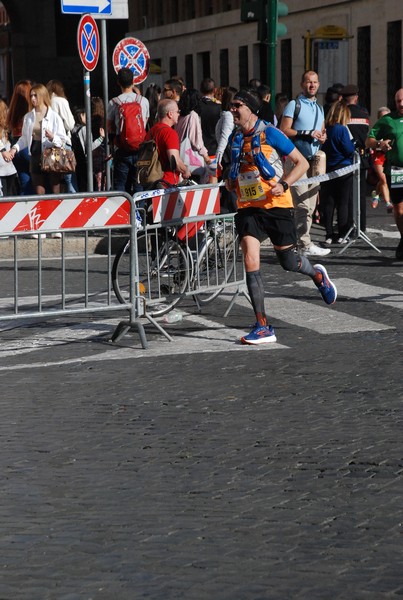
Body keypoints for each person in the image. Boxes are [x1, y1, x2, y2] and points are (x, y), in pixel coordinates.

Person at [225, 88, 337, 345]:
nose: (232, 110)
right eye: (231, 105)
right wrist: (230, 183)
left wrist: (284, 184)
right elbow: (230, 172)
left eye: (236, 105)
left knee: (288, 261)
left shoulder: (271, 134)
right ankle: (263, 326)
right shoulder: (235, 138)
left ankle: (317, 275)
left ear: (250, 109)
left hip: (276, 205)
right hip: (248, 207)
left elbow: (302, 163)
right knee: (250, 259)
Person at [280, 70, 330, 257]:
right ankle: (303, 244)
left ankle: (301, 242)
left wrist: (323, 136)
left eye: (315, 82)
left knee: (310, 206)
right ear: (302, 84)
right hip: (296, 161)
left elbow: (321, 130)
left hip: (314, 159)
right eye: (309, 82)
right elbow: (283, 129)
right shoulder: (294, 104)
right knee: (301, 205)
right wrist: (307, 132)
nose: (312, 85)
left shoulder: (319, 107)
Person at [5, 83, 66, 196]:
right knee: (39, 190)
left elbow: (63, 139)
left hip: (51, 154)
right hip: (34, 152)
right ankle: (43, 212)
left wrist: (53, 137)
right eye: (31, 95)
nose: (33, 98)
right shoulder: (28, 116)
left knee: (54, 188)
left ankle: (57, 210)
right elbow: (24, 138)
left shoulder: (54, 116)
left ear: (43, 96)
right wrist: (14, 149)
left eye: (35, 95)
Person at [366, 88, 403, 260]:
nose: (401, 104)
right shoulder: (388, 120)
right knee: (399, 208)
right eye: (398, 101)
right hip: (397, 169)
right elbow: (369, 140)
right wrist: (380, 143)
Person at [106, 67, 149, 195]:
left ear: (118, 82)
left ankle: (122, 213)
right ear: (133, 81)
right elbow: (145, 122)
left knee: (120, 186)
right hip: (141, 150)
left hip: (122, 149)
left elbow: (109, 127)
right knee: (139, 187)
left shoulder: (114, 102)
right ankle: (139, 213)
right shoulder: (143, 101)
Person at [321, 100, 356, 244]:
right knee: (343, 203)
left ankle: (329, 234)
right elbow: (349, 150)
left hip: (328, 168)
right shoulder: (342, 129)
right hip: (343, 168)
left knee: (329, 203)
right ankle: (342, 233)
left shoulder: (326, 128)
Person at [340, 84, 370, 233]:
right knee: (361, 195)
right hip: (362, 157)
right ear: (356, 97)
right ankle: (361, 227)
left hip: (345, 159)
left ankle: (347, 228)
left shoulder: (342, 114)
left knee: (347, 196)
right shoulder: (364, 113)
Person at [145, 99, 191, 186]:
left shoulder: (151, 131)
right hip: (166, 183)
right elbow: (175, 161)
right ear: (170, 114)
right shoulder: (170, 133)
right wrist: (185, 170)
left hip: (151, 181)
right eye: (177, 111)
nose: (179, 114)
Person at [174, 88, 211, 182]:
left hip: (179, 155)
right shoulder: (193, 115)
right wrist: (205, 155)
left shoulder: (179, 115)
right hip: (191, 161)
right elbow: (196, 140)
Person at [46, 79, 76, 193]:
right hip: (63, 143)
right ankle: (74, 204)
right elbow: (70, 124)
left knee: (54, 179)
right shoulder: (60, 101)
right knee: (69, 178)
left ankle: (54, 205)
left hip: (49, 144)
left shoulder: (46, 102)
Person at [6, 79, 33, 195]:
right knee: (37, 182)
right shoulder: (30, 112)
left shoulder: (12, 110)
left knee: (24, 183)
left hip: (15, 147)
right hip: (28, 145)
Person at [368, 106, 392, 211]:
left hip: (389, 156)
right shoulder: (376, 129)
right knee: (383, 179)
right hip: (378, 155)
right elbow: (369, 143)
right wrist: (379, 144)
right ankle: (388, 203)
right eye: (382, 117)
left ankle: (376, 194)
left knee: (384, 179)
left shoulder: (393, 128)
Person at [199, 77, 222, 183]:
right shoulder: (219, 108)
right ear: (215, 90)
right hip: (214, 150)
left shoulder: (196, 107)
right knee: (213, 184)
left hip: (197, 153)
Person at [0, 99, 18, 196]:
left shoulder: (6, 129)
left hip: (6, 168)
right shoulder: (7, 129)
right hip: (7, 167)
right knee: (9, 195)